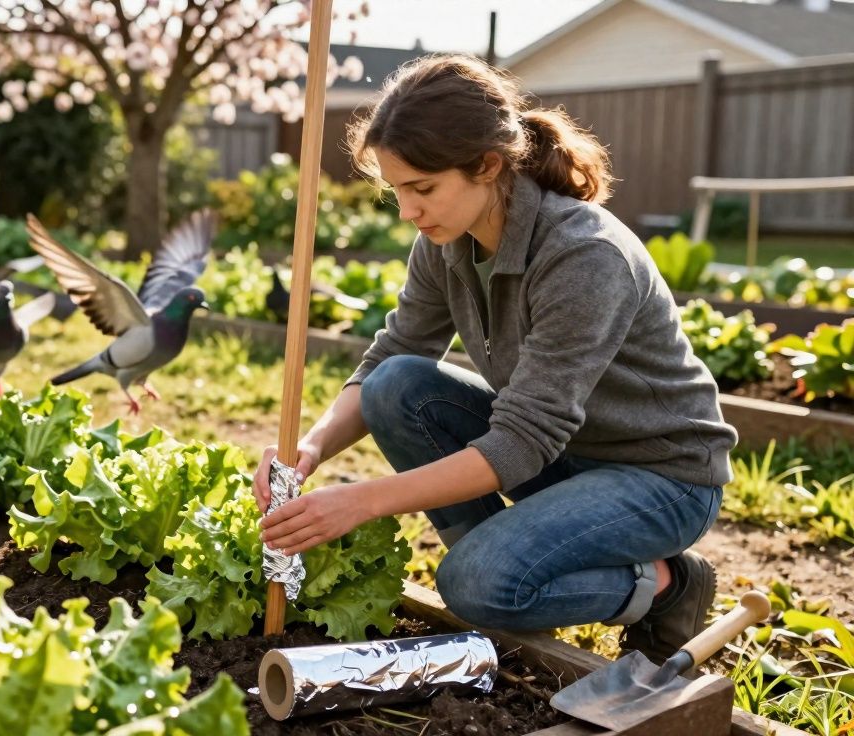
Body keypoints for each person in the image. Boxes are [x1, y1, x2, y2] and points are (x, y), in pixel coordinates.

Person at [254, 53, 736, 663]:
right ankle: (510, 568)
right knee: (397, 386)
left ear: (487, 165)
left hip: (661, 478)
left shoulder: (585, 256)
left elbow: (519, 443)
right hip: (565, 455)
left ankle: (669, 586)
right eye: (397, 190)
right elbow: (396, 350)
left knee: (474, 584)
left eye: (422, 189)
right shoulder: (446, 239)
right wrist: (314, 447)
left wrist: (360, 500)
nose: (406, 211)